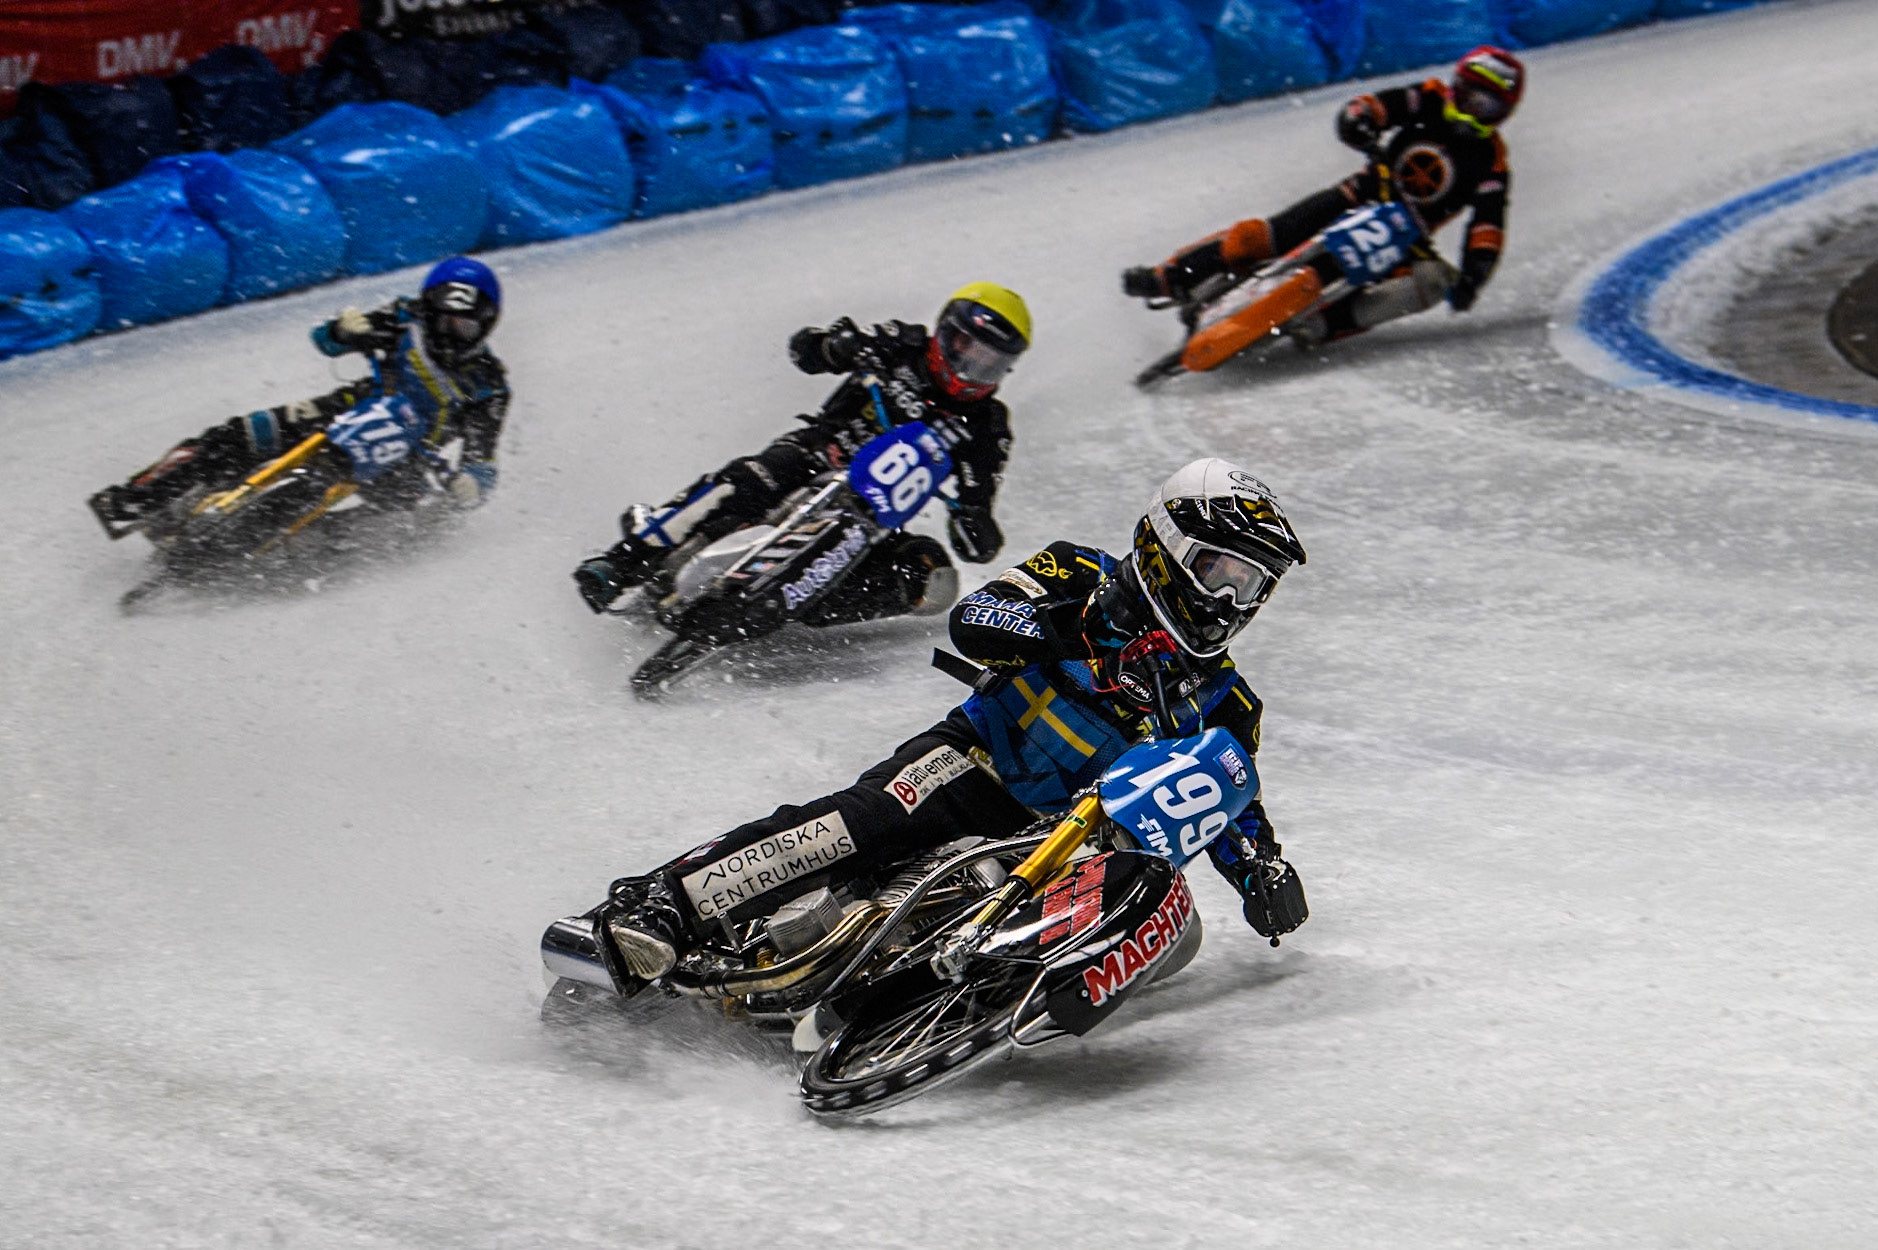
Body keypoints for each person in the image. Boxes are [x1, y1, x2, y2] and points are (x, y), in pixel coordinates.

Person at [594, 458, 1310, 990]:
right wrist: (1065, 634)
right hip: (977, 760)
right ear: (1167, 544)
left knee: (1110, 910)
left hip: (1066, 836)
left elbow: (1225, 793)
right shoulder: (1078, 574)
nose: (1228, 598)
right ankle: (665, 903)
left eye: (1249, 584)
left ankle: (918, 1000)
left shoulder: (1227, 700)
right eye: (1220, 569)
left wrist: (1262, 871)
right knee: (863, 822)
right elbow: (977, 618)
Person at [571, 282, 1030, 624]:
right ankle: (623, 561)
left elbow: (980, 523)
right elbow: (807, 351)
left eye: (988, 361)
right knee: (746, 481)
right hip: (815, 455)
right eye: (965, 348)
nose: (971, 366)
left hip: (873, 516)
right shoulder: (900, 344)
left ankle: (789, 603)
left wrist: (973, 521)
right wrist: (835, 345)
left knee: (930, 579)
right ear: (944, 333)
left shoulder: (987, 426)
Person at [1122, 46, 1523, 345]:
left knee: (1434, 281)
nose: (1467, 108)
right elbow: (1372, 107)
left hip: (1406, 237)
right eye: (1465, 94)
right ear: (1454, 86)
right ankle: (1170, 277)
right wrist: (1362, 125)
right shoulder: (1430, 97)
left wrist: (1475, 274)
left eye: (1482, 104)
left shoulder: (1492, 161)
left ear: (1500, 113)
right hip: (1360, 194)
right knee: (1259, 237)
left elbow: (1489, 224)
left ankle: (1324, 325)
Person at [89, 256, 509, 530]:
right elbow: (324, 341)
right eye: (442, 322)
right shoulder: (404, 318)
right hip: (350, 409)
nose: (449, 336)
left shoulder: (488, 386)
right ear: (427, 310)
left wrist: (468, 486)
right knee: (243, 433)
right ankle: (142, 496)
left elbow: (483, 464)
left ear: (485, 325)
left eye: (464, 327)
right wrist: (345, 330)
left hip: (410, 462)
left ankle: (271, 549)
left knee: (393, 523)